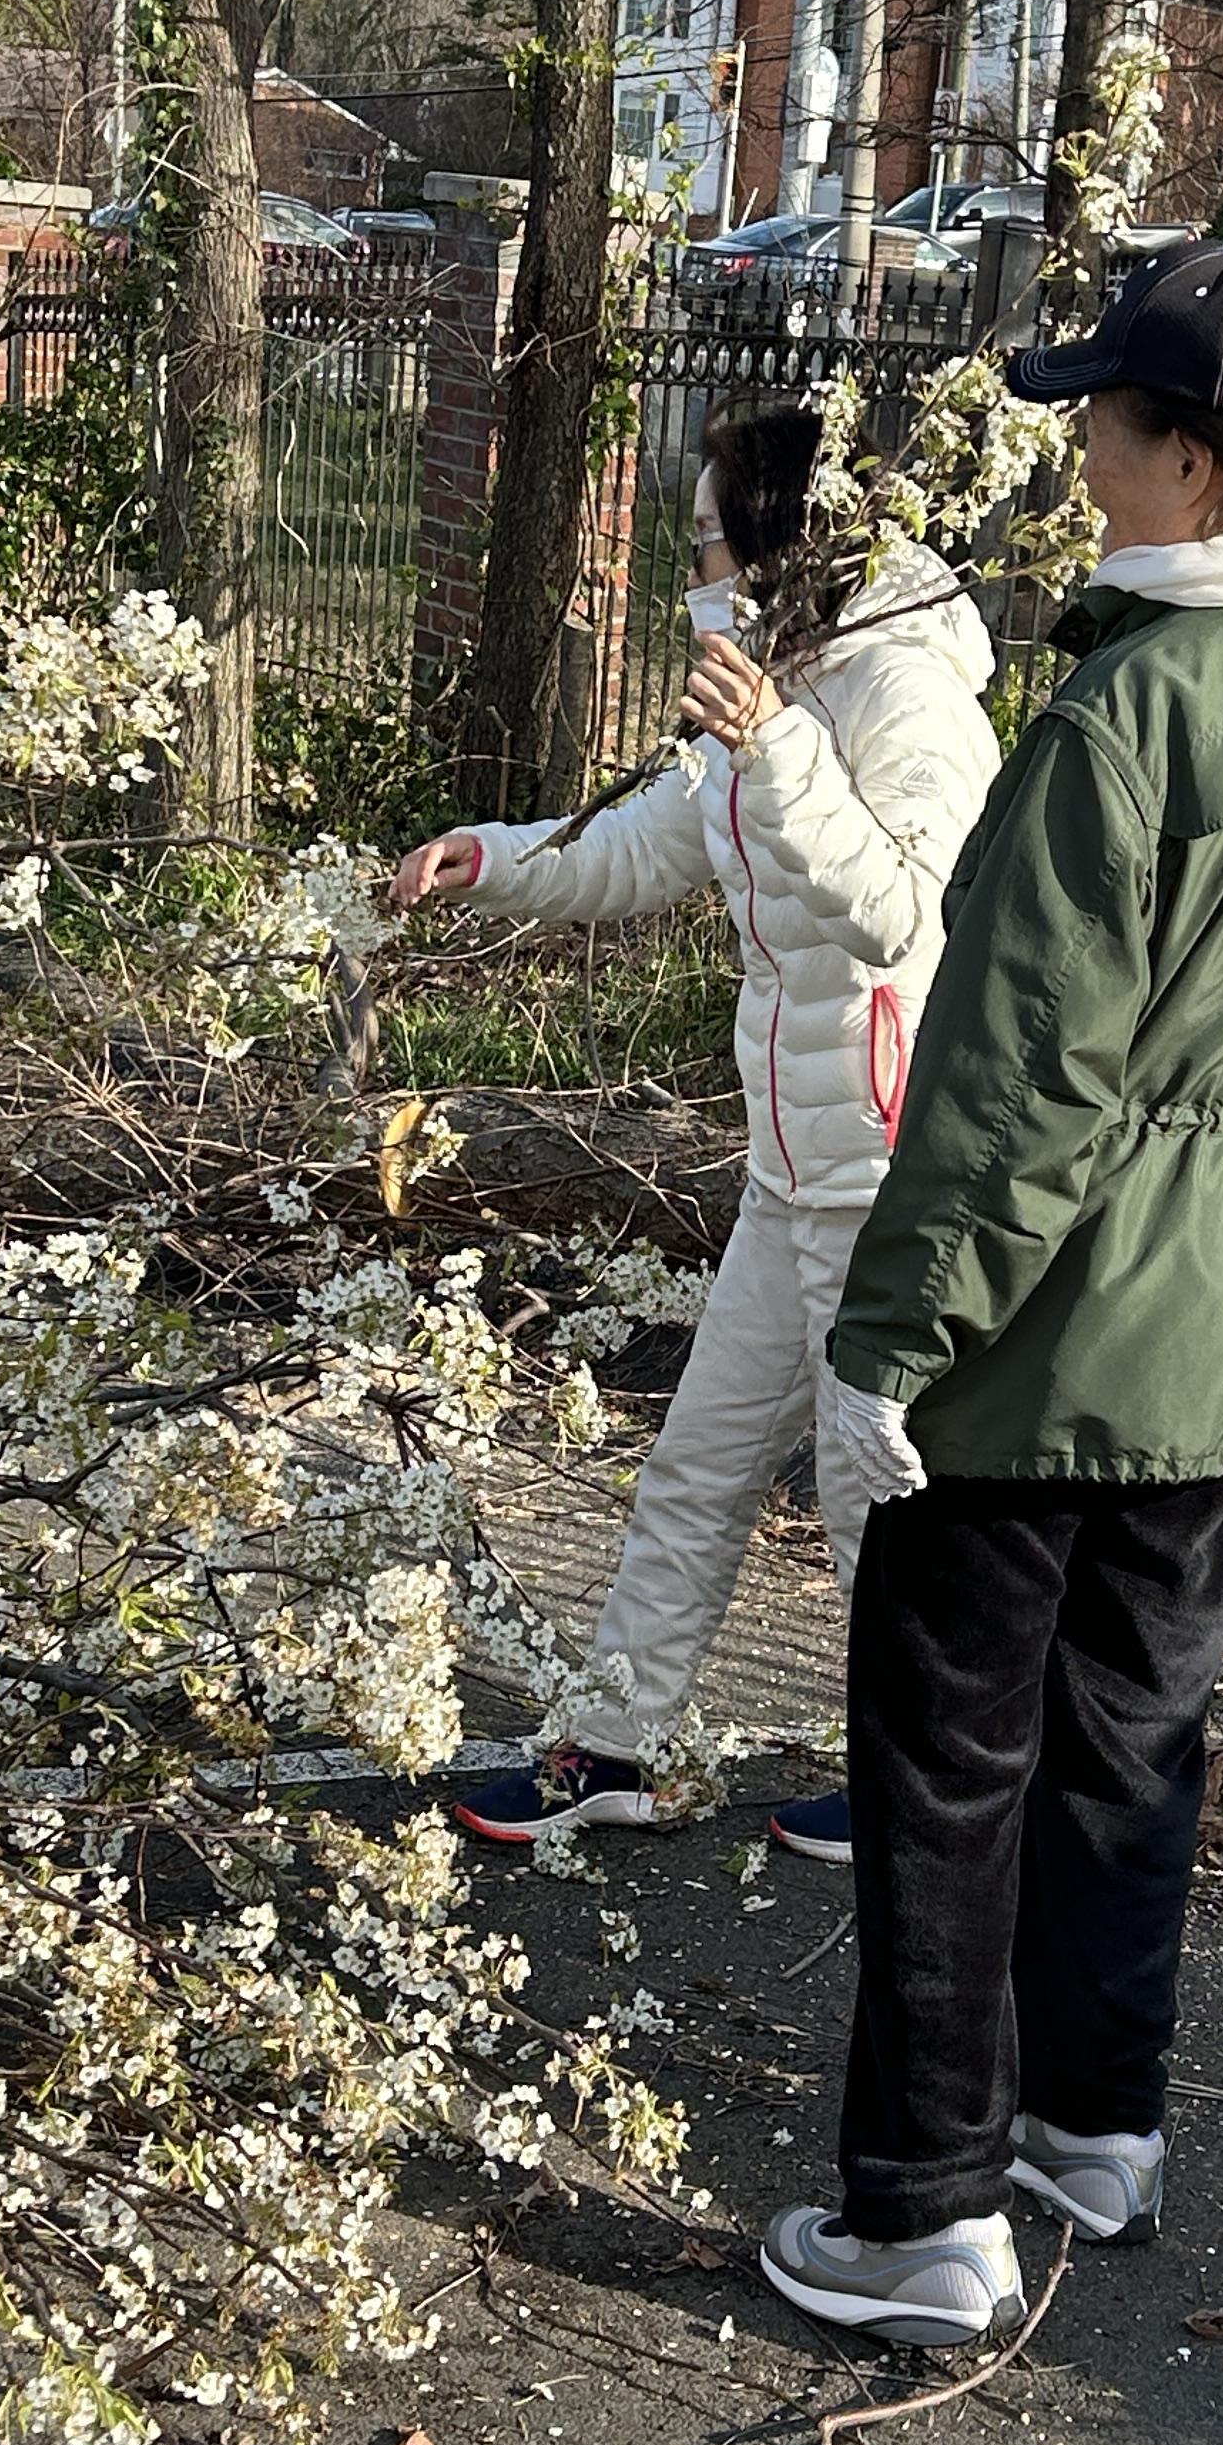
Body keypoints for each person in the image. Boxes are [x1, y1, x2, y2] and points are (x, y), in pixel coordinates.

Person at [756, 238, 1223, 2349]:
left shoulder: (1121, 722)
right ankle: (1098, 2126)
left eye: (1103, 419)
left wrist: (889, 1347)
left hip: (1040, 1335)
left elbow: (1014, 1087)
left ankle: (923, 2213)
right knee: (1136, 1742)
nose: (1078, 450)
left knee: (947, 1760)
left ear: (1188, 460)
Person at [389, 398, 1003, 1847]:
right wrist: (493, 859)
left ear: (786, 545)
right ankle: (615, 1747)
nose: (695, 573)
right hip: (793, 1168)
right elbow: (644, 848)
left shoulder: (909, 697)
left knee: (869, 1494)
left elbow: (897, 913)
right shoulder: (765, 688)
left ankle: (918, 1797)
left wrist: (780, 746)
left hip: (887, 1173)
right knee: (700, 1463)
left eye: (711, 543)